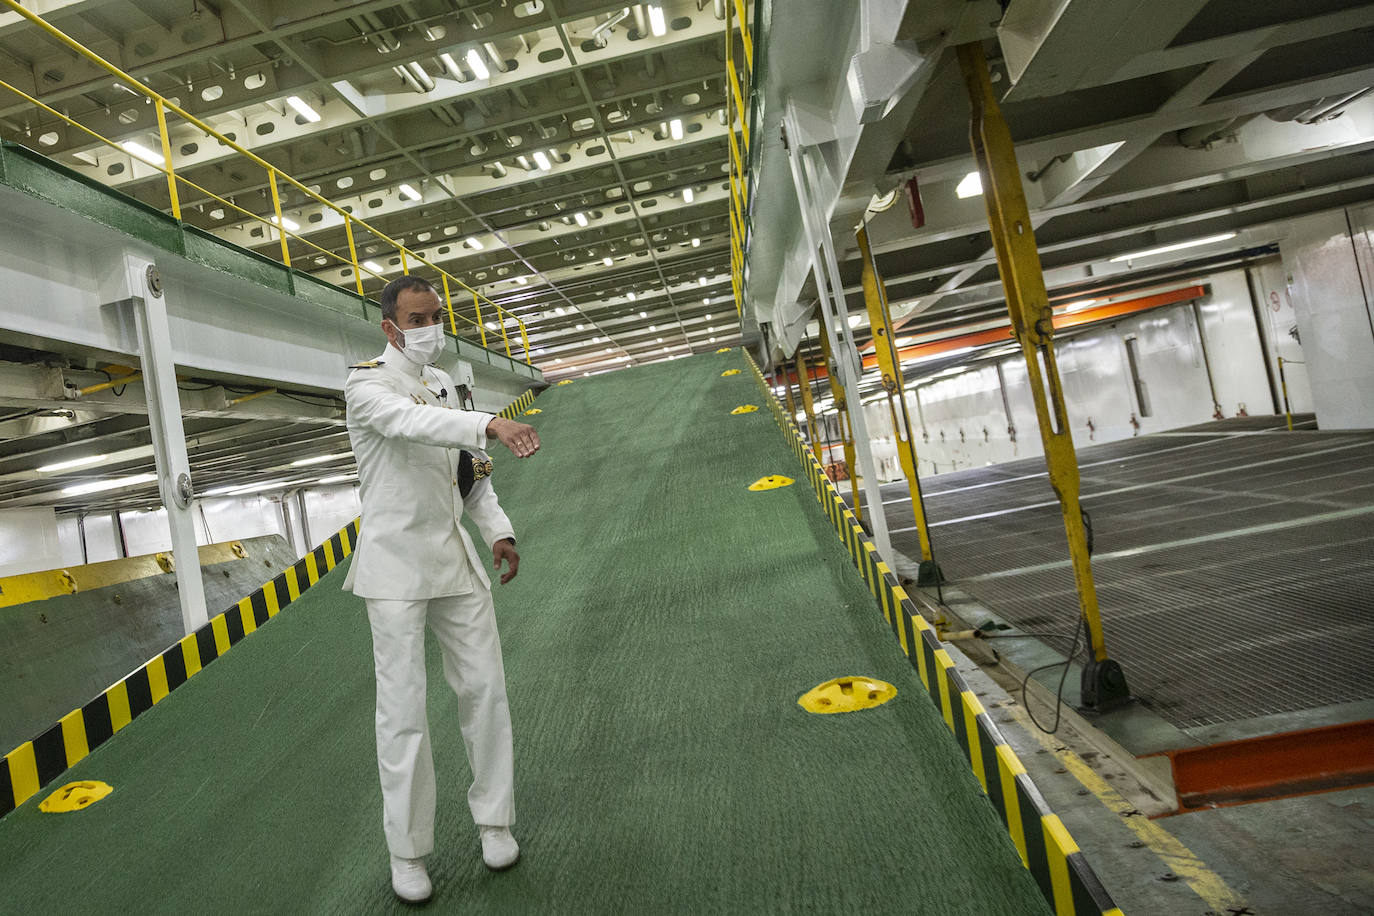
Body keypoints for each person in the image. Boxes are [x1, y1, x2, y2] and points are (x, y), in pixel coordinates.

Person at [342, 275, 540, 904]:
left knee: (485, 689)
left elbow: (469, 474)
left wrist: (498, 531)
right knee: (403, 712)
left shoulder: (448, 384)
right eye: (417, 318)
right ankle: (408, 852)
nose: (430, 327)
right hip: (395, 567)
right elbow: (413, 424)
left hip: (454, 559)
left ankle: (495, 822)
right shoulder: (366, 384)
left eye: (436, 316)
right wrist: (487, 423)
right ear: (390, 327)